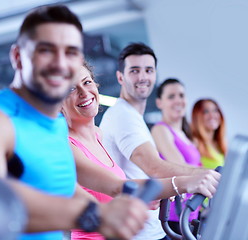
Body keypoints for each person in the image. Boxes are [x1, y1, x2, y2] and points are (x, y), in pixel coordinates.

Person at [0, 5, 150, 240]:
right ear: (17, 57)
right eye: (46, 50)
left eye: (71, 52)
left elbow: (66, 190)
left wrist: (110, 212)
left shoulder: (54, 124)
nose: (60, 63)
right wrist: (94, 215)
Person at [62, 62, 219, 240]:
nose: (84, 92)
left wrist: (144, 196)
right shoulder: (66, 147)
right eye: (70, 89)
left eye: (87, 82)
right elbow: (116, 187)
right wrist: (184, 183)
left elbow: (110, 190)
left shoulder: (98, 134)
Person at [99, 42, 220, 240]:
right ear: (120, 77)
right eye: (134, 70)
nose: (143, 77)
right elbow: (155, 168)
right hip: (139, 234)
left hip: (150, 229)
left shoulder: (132, 117)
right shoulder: (123, 117)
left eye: (149, 70)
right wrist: (210, 176)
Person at [151, 78, 202, 234]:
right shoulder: (160, 130)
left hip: (191, 214)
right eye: (171, 96)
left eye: (181, 95)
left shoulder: (188, 136)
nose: (178, 100)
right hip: (173, 217)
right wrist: (216, 174)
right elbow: (178, 166)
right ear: (160, 103)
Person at [191, 99, 227, 169]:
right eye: (206, 111)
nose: (212, 115)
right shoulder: (195, 142)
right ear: (197, 116)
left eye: (215, 110)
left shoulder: (221, 145)